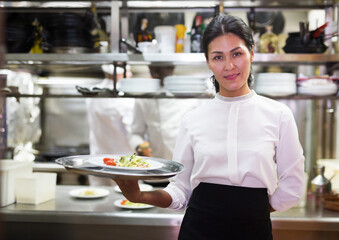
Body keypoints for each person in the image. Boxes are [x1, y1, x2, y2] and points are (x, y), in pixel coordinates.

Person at [115, 14, 305, 240]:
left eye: (237, 53)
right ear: (207, 61)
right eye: (218, 57)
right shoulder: (193, 119)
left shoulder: (279, 115)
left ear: (252, 53)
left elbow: (292, 184)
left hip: (254, 230)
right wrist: (140, 196)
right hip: (199, 230)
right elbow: (180, 191)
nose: (229, 66)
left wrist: (253, 209)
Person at [86, 64, 134, 186]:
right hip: (123, 163)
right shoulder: (125, 96)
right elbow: (132, 132)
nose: (131, 75)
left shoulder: (93, 91)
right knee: (126, 200)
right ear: (120, 74)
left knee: (100, 198)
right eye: (129, 72)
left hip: (97, 158)